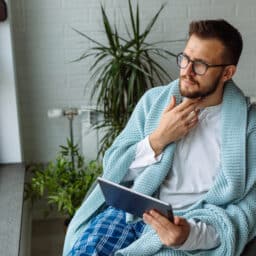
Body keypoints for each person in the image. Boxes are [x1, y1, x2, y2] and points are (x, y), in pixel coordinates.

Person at [63, 19, 256, 256]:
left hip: (187, 226)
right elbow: (113, 170)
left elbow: (246, 210)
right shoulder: (154, 102)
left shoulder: (248, 128)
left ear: (227, 72)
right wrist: (158, 140)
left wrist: (187, 235)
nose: (186, 71)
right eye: (185, 59)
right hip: (132, 214)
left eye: (200, 65)